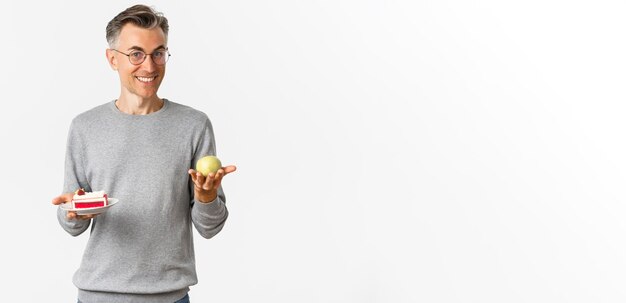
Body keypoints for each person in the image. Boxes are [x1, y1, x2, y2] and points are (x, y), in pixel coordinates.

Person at [51, 5, 236, 303]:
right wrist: (72, 211)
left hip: (170, 297)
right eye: (136, 54)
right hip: (98, 295)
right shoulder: (85, 127)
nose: (149, 67)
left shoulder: (194, 125)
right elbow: (72, 224)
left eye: (158, 53)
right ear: (113, 59)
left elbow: (210, 226)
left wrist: (206, 197)